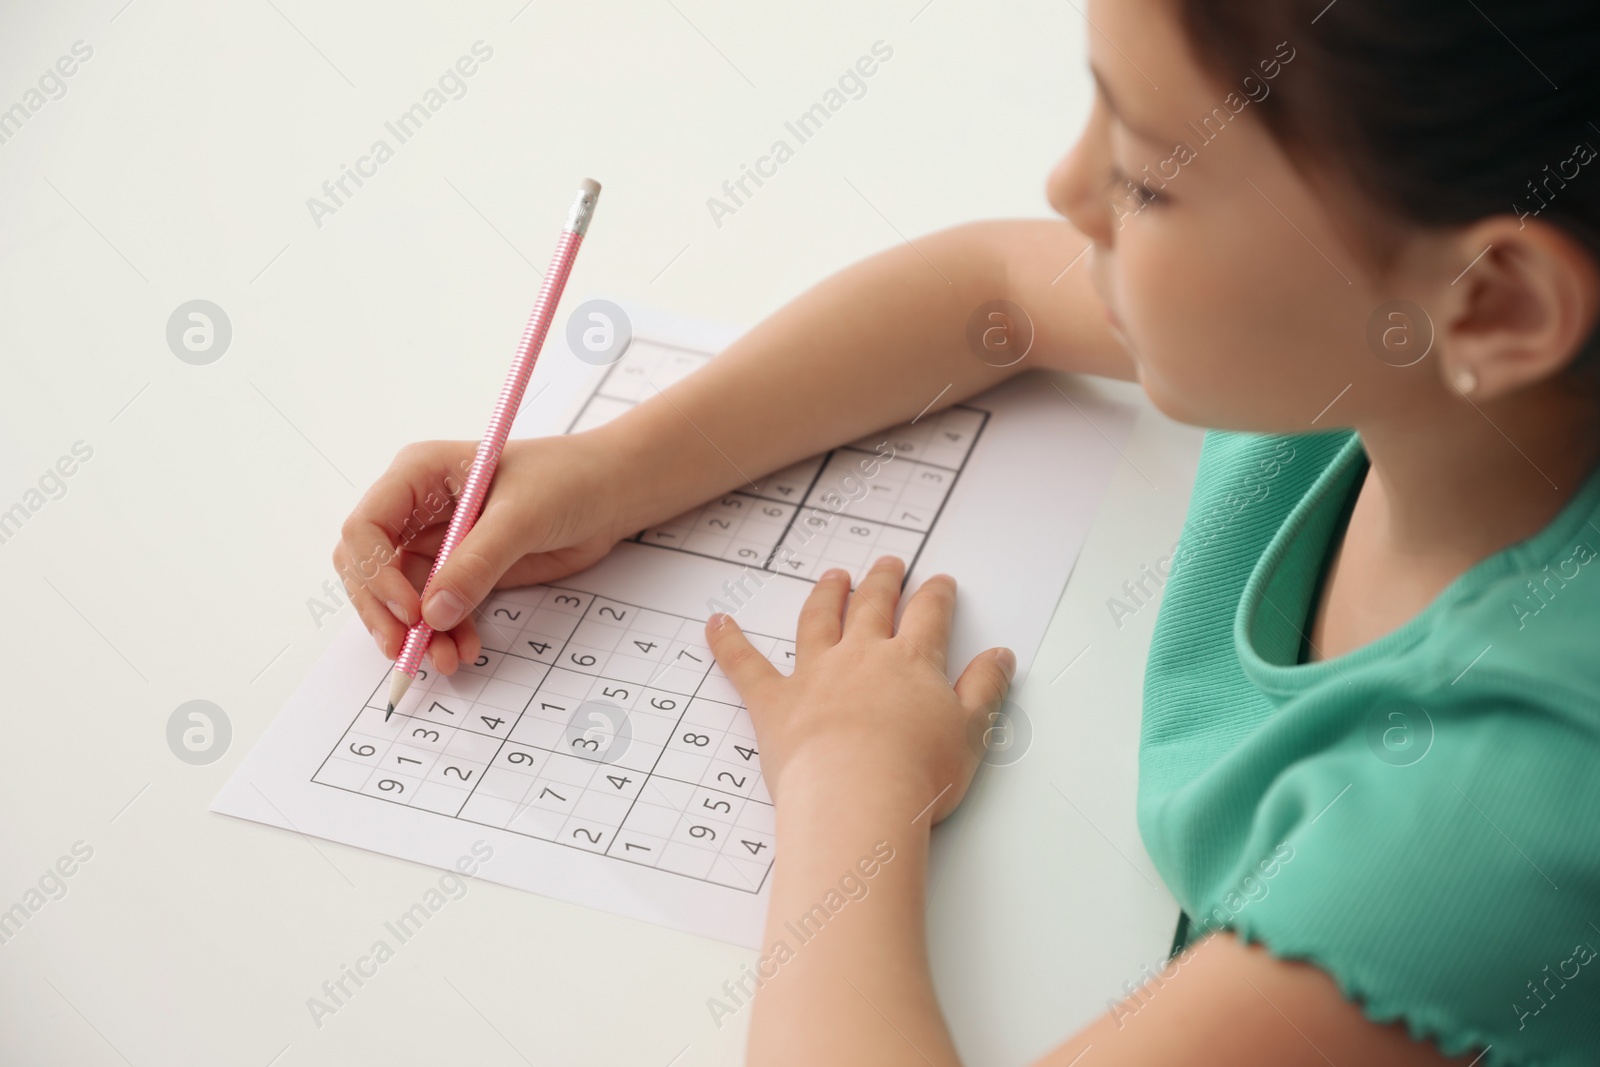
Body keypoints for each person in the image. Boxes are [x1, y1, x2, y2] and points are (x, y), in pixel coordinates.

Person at [334, 0, 1600, 1061]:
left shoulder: (1484, 817)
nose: (1065, 187)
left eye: (1149, 178)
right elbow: (990, 292)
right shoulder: (1394, 359)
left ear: (1496, 302)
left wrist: (850, 784)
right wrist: (619, 468)